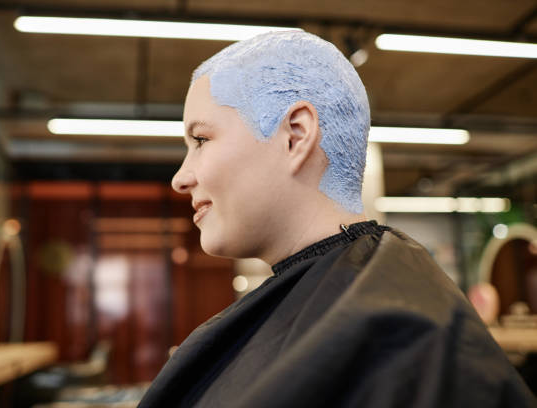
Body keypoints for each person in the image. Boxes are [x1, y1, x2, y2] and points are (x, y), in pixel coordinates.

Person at [138, 31, 535, 407]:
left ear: (295, 135)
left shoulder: (405, 335)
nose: (181, 178)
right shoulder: (380, 303)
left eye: (201, 140)